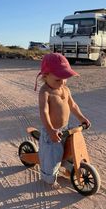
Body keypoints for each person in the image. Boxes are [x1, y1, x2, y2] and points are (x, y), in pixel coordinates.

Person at [35, 53, 90, 189]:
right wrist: (50, 130)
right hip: (52, 133)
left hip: (65, 128)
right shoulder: (45, 92)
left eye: (65, 79)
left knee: (70, 149)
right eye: (58, 80)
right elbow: (44, 112)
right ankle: (49, 177)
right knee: (52, 156)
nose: (62, 83)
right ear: (45, 76)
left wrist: (82, 118)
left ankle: (70, 165)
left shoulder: (65, 89)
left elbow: (73, 105)